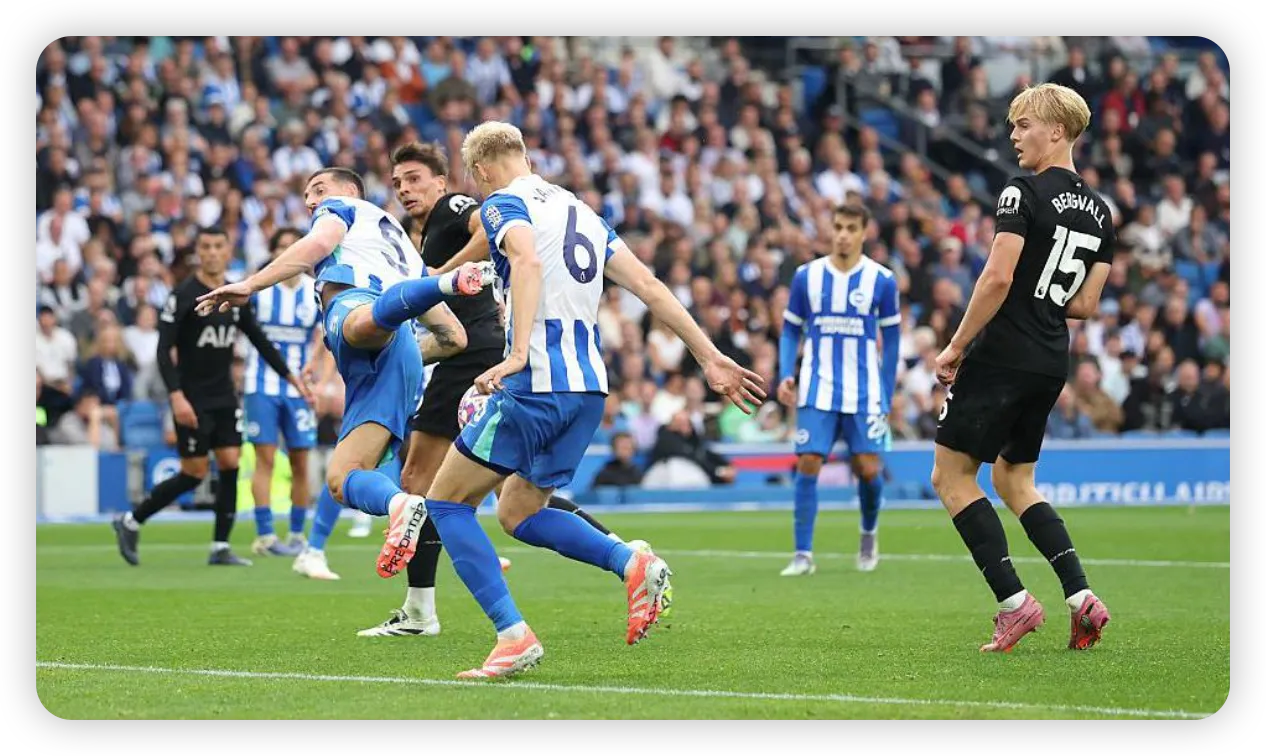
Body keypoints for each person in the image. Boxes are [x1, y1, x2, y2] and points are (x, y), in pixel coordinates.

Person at [366, 122, 764, 679]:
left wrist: (518, 352)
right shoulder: (580, 210)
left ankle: (512, 635)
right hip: (588, 390)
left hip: (538, 382)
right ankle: (631, 560)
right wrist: (709, 356)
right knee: (518, 510)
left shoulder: (503, 204)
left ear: (479, 171)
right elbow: (648, 286)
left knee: (447, 502)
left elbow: (525, 261)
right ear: (524, 155)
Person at [357, 141, 663, 638]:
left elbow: (499, 236)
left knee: (430, 487)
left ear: (449, 178)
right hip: (569, 377)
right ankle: (627, 557)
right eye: (396, 183)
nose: (405, 189)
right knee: (514, 499)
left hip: (481, 358)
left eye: (414, 178)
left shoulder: (460, 206)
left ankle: (440, 615)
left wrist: (441, 276)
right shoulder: (560, 210)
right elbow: (646, 286)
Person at [195, 168, 488, 576]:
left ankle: (446, 284)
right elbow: (454, 336)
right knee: (342, 478)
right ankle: (402, 506)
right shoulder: (403, 245)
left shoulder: (343, 208)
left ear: (350, 191)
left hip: (361, 312)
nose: (312, 200)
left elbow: (318, 244)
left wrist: (251, 283)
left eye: (318, 189)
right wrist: (398, 356)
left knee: (358, 324)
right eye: (306, 195)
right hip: (397, 352)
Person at [931, 84, 1114, 653]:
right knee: (1015, 480)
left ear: (1056, 130)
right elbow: (1084, 304)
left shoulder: (1022, 193)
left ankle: (1014, 603)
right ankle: (1082, 599)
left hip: (1004, 352)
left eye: (1023, 125)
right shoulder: (1102, 213)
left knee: (952, 477)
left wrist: (956, 345)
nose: (1014, 136)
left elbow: (998, 277)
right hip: (1049, 358)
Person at [112, 227, 313, 567]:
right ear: (197, 252)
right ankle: (131, 520)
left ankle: (220, 545)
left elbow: (259, 340)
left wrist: (292, 378)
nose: (212, 252)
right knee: (194, 471)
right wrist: (176, 397)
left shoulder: (233, 294)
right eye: (205, 246)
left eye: (218, 245)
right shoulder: (183, 294)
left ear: (227, 249)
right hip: (191, 397)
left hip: (224, 396)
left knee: (231, 464)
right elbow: (164, 351)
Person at [776, 203, 900, 576]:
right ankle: (802, 555)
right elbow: (789, 330)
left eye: (851, 228)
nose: (843, 234)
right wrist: (786, 373)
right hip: (817, 387)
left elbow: (892, 341)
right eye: (838, 227)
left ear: (864, 232)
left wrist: (888, 392)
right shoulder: (806, 277)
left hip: (864, 391)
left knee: (867, 468)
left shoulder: (881, 280)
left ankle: (868, 532)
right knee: (808, 461)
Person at [243, 227, 324, 558]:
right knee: (264, 460)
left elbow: (323, 335)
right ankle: (264, 535)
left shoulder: (314, 292)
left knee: (301, 461)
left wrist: (317, 369)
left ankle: (296, 534)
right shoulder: (260, 289)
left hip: (299, 390)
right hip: (259, 384)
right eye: (282, 246)